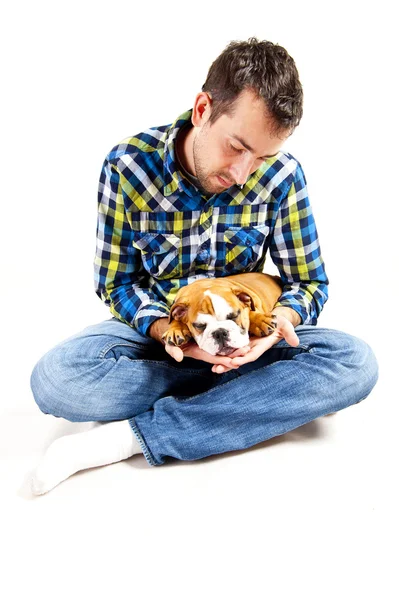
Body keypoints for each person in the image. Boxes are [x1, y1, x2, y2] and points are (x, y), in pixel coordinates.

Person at [29, 37, 378, 495]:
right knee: (56, 379)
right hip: (161, 334)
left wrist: (276, 328)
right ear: (202, 109)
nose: (242, 172)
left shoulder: (283, 177)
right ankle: (264, 396)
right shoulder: (128, 165)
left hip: (248, 336)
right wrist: (164, 331)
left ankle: (131, 438)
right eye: (236, 146)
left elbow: (308, 283)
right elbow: (117, 284)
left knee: (355, 362)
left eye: (262, 157)